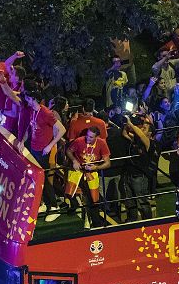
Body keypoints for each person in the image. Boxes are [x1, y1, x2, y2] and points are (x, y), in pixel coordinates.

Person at [18, 85, 66, 219]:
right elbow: (30, 128)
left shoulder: (46, 113)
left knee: (43, 178)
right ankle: (43, 203)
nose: (26, 100)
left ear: (33, 99)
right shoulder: (33, 111)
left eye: (28, 98)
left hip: (43, 152)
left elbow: (62, 130)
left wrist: (50, 146)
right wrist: (22, 141)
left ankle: (54, 206)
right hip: (34, 149)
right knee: (37, 178)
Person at [65, 127, 111, 228]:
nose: (88, 138)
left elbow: (108, 163)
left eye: (91, 137)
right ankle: (75, 207)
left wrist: (96, 167)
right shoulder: (79, 141)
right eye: (87, 135)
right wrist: (74, 160)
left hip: (91, 174)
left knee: (93, 199)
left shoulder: (102, 143)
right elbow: (68, 151)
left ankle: (95, 222)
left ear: (96, 137)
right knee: (70, 194)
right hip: (77, 172)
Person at [121, 116, 157, 221]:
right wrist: (126, 125)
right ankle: (132, 220)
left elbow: (141, 135)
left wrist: (131, 124)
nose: (141, 130)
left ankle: (148, 221)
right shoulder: (136, 139)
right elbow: (124, 134)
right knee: (130, 200)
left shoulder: (149, 144)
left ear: (150, 134)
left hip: (139, 177)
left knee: (142, 201)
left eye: (144, 129)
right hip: (129, 174)